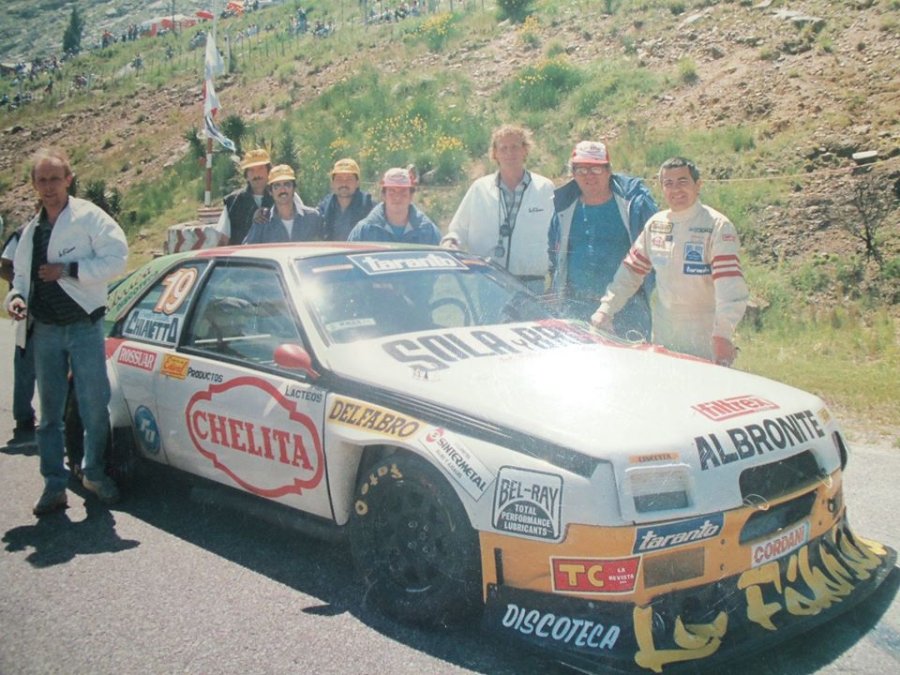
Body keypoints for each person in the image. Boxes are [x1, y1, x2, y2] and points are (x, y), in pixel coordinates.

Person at [5, 147, 129, 515]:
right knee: (50, 414)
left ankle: (93, 473)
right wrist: (16, 298)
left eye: (55, 179)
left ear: (69, 180)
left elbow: (117, 258)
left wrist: (69, 270)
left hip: (84, 327)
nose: (49, 187)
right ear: (34, 184)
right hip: (45, 330)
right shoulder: (32, 230)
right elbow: (21, 276)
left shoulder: (90, 217)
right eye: (42, 180)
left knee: (95, 406)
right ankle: (54, 485)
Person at [591, 157, 749, 365]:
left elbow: (730, 288)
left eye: (683, 181)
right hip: (664, 335)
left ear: (698, 185)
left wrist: (723, 335)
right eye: (668, 183)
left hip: (705, 337)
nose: (676, 190)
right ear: (662, 188)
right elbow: (630, 272)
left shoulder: (717, 226)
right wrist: (606, 310)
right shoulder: (656, 225)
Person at [550, 141, 658, 338]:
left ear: (609, 171)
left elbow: (654, 251)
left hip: (627, 308)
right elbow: (554, 253)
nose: (589, 176)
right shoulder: (564, 207)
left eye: (596, 169)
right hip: (576, 306)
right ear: (573, 173)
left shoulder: (632, 205)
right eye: (582, 170)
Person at [441, 124, 558, 294]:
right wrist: (451, 242)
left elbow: (559, 237)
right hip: (488, 282)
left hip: (532, 283)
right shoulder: (480, 188)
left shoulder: (545, 188)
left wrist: (554, 284)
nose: (509, 153)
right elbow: (458, 230)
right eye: (503, 148)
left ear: (525, 150)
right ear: (495, 153)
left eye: (515, 147)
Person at [2, 223, 37, 437]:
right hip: (29, 311)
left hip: (59, 311)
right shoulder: (23, 233)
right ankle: (23, 416)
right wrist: (23, 283)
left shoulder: (72, 230)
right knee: (25, 363)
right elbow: (5, 265)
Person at [347, 168, 441, 244]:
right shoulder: (364, 231)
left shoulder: (428, 231)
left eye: (403, 191)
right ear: (383, 195)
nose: (397, 197)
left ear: (411, 196)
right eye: (392, 191)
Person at [243, 164, 324, 243]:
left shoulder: (312, 217)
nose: (282, 190)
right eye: (277, 186)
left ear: (294, 188)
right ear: (270, 191)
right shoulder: (262, 222)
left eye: (287, 185)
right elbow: (246, 249)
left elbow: (326, 245)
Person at [213, 148, 275, 246]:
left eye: (260, 168)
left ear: (268, 171)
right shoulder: (233, 201)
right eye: (251, 170)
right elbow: (223, 241)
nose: (256, 174)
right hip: (243, 255)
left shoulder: (281, 197)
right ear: (246, 175)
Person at [317, 158, 375, 241]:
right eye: (339, 179)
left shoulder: (369, 207)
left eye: (349, 179)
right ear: (332, 183)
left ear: (357, 183)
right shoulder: (323, 209)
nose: (344, 183)